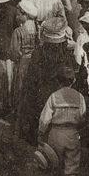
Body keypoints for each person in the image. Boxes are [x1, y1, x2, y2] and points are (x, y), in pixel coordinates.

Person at [21, 17, 77, 145]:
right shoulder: (66, 53)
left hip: (41, 88)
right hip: (58, 89)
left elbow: (32, 75)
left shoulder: (39, 53)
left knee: (38, 112)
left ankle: (35, 137)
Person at [38, 65, 86, 176]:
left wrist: (41, 132)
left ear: (58, 81)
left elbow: (45, 118)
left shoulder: (54, 96)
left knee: (55, 161)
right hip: (72, 133)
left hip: (56, 133)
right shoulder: (79, 97)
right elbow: (83, 116)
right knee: (72, 166)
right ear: (73, 81)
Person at [10, 0, 40, 137]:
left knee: (19, 87)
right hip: (32, 62)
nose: (17, 16)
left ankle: (18, 118)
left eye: (18, 14)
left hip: (22, 61)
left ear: (24, 14)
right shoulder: (37, 30)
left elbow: (14, 51)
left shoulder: (18, 31)